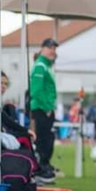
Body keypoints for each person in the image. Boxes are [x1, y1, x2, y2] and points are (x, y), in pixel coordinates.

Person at [0, 70, 36, 144]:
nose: (3, 86)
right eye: (1, 83)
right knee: (24, 137)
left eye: (6, 84)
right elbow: (5, 118)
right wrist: (26, 131)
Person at [29, 38, 59, 182]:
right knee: (43, 140)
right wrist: (47, 108)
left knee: (48, 138)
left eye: (54, 48)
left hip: (46, 108)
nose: (52, 51)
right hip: (42, 109)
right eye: (49, 48)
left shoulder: (46, 66)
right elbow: (36, 90)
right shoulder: (40, 66)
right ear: (42, 48)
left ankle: (45, 166)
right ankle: (41, 169)